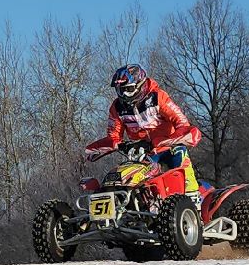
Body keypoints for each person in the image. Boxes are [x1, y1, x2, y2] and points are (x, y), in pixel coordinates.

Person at [84, 64, 204, 192]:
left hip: (169, 146)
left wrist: (169, 140)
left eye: (128, 89)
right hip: (143, 152)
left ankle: (193, 198)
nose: (124, 94)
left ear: (140, 85)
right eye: (120, 90)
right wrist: (120, 145)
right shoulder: (117, 107)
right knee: (132, 181)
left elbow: (182, 122)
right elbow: (113, 135)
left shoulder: (158, 97)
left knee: (180, 164)